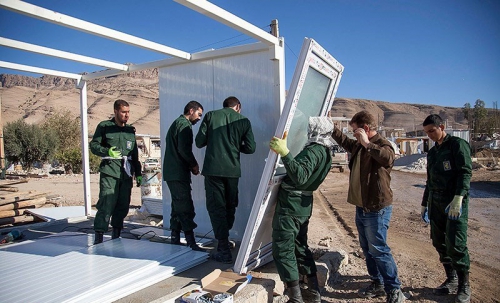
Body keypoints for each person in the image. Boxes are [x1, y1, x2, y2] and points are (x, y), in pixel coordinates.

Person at [331, 110, 406, 303]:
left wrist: (366, 143)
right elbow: (346, 143)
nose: (353, 134)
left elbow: (388, 158)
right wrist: (331, 127)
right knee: (367, 249)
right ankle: (377, 283)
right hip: (362, 207)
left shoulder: (382, 145)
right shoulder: (358, 145)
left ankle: (395, 290)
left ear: (365, 129)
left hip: (376, 208)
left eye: (355, 131)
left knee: (379, 250)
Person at [270, 117, 333, 303]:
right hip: (303, 206)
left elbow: (300, 176)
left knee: (284, 249)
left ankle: (295, 298)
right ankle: (314, 294)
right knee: (300, 248)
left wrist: (285, 152)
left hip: (291, 207)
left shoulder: (313, 151)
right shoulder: (326, 152)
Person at [195, 96, 256, 263]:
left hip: (213, 170)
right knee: (230, 205)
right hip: (232, 171)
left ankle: (223, 247)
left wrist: (214, 141)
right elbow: (251, 148)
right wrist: (235, 146)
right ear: (238, 106)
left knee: (216, 207)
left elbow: (199, 142)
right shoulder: (244, 121)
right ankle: (225, 239)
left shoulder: (210, 116)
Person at [421, 114, 472, 303]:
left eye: (432, 131)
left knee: (456, 244)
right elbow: (429, 181)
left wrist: (459, 197)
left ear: (442, 126)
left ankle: (463, 286)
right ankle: (451, 279)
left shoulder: (457, 145)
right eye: (426, 133)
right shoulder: (433, 153)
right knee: (439, 242)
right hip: (436, 203)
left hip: (454, 204)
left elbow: (465, 173)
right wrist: (424, 203)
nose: (430, 136)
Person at [90, 99, 142, 244]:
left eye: (128, 112)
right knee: (107, 202)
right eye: (123, 112)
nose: (127, 115)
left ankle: (116, 235)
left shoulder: (130, 131)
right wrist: (106, 151)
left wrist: (138, 173)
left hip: (126, 174)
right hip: (110, 172)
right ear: (116, 111)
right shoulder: (105, 127)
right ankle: (99, 237)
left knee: (123, 204)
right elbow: (93, 145)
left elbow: (134, 155)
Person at [163, 101, 204, 251]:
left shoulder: (176, 123)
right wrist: (194, 165)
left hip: (173, 172)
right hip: (178, 173)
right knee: (185, 206)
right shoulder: (184, 126)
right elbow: (184, 150)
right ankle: (190, 241)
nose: (199, 118)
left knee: (177, 206)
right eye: (199, 114)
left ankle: (175, 237)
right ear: (191, 111)